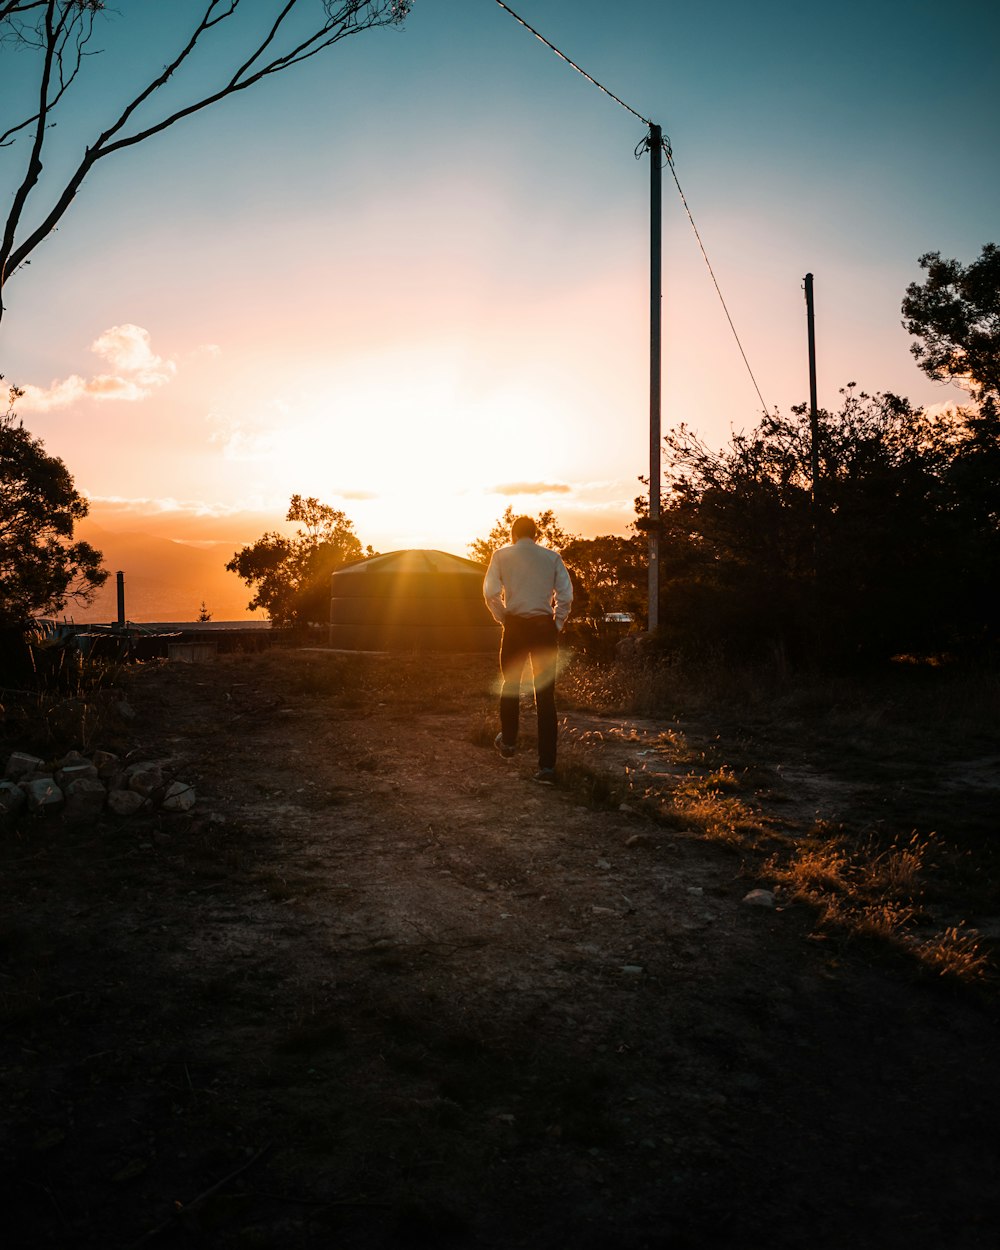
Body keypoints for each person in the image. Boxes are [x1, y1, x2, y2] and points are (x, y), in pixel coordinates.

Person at [483, 515, 573, 784]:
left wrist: (503, 617)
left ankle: (509, 742)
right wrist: (556, 623)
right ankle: (547, 768)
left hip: (516, 627)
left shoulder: (501, 555)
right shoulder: (551, 557)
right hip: (544, 628)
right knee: (545, 698)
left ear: (513, 534)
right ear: (536, 534)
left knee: (510, 685)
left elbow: (490, 593)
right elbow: (566, 596)